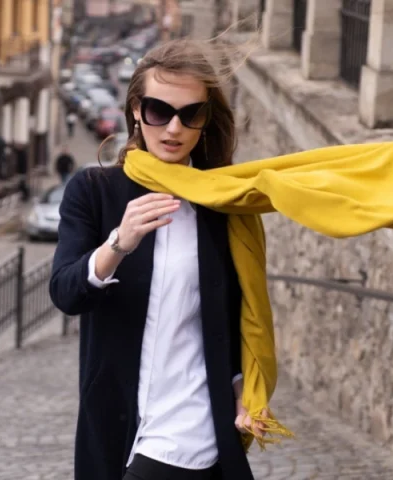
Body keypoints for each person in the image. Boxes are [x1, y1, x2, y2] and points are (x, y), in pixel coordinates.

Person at [50, 39, 264, 480]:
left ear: (205, 118)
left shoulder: (220, 202)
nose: (173, 128)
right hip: (117, 416)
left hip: (192, 421)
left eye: (191, 114)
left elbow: (229, 316)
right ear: (135, 109)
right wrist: (118, 243)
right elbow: (66, 293)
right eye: (158, 111)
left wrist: (242, 387)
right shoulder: (93, 192)